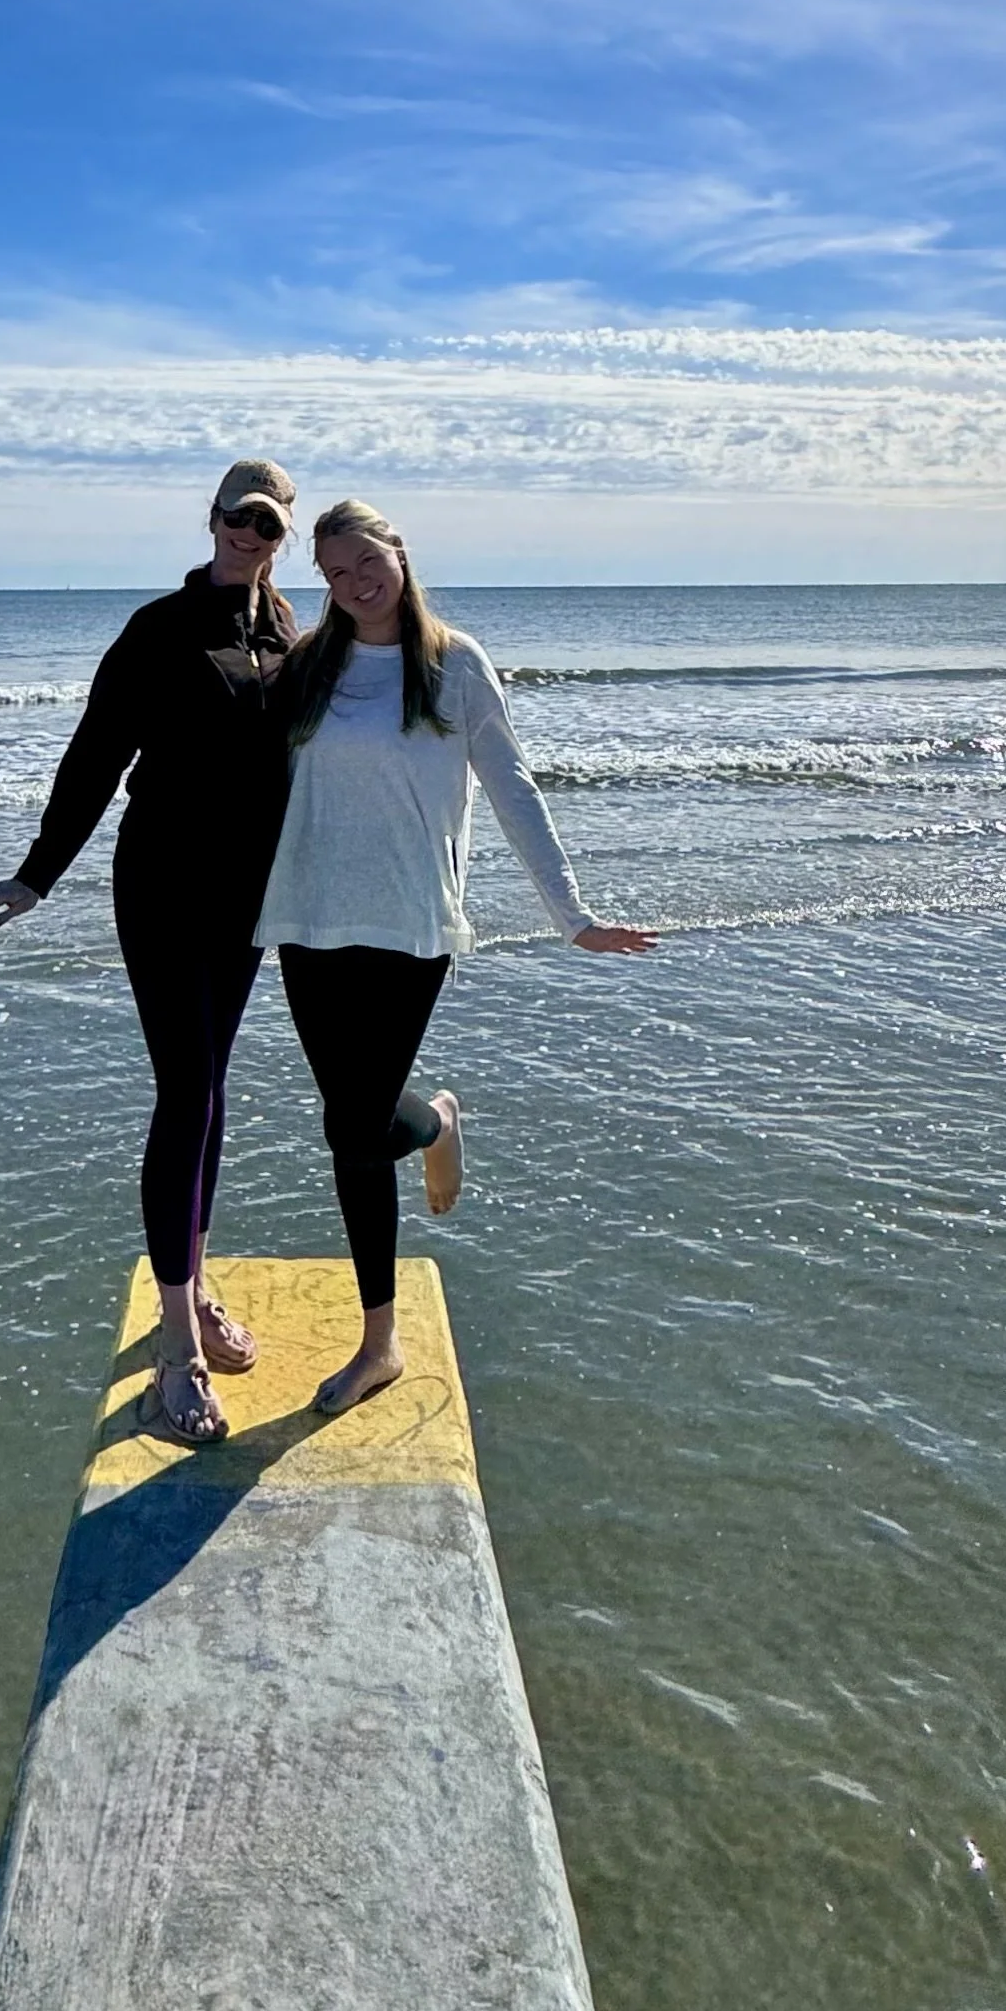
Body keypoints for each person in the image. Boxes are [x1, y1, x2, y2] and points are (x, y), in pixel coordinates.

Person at [257, 498, 657, 1415]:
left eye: (366, 561)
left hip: (412, 926)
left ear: (398, 552)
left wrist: (573, 917)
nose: (355, 583)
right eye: (334, 574)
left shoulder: (454, 665)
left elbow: (513, 788)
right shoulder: (312, 666)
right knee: (351, 1127)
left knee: (354, 1129)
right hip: (308, 921)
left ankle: (379, 1345)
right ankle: (435, 1125)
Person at [0, 461, 301, 1445]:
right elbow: (95, 756)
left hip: (249, 895)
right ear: (211, 518)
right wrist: (36, 874)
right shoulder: (157, 629)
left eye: (267, 523)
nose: (248, 533)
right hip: (162, 884)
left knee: (213, 1089)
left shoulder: (290, 636)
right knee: (185, 1090)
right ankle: (176, 1343)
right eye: (236, 516)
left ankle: (192, 1287)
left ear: (283, 533)